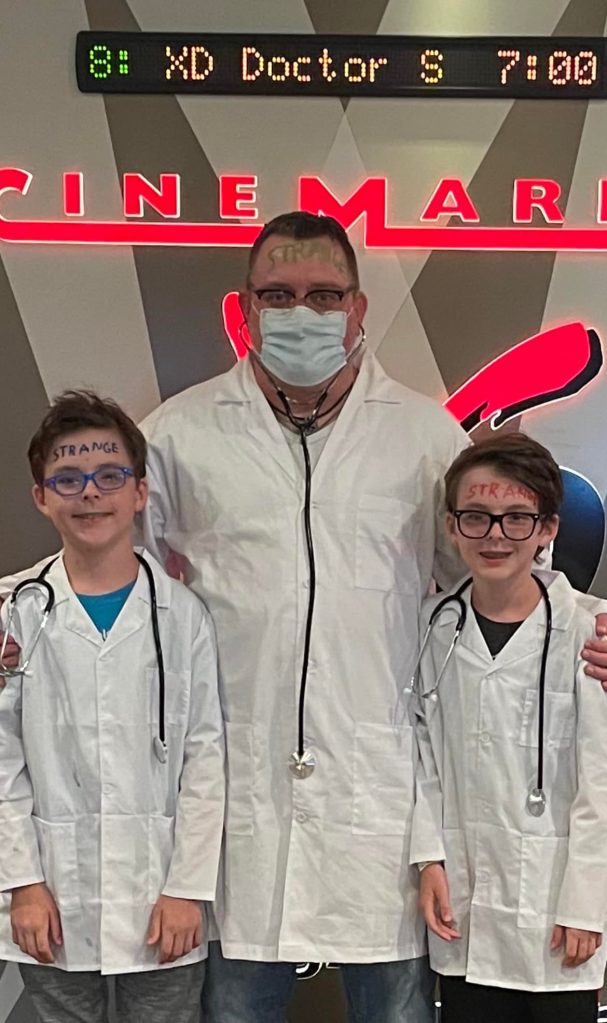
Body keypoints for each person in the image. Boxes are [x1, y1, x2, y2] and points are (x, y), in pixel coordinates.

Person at [138, 212, 607, 1022]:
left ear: (357, 308)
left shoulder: (423, 436)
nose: (302, 313)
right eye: (278, 295)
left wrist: (586, 631)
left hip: (386, 808)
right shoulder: (178, 435)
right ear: (245, 308)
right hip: (238, 806)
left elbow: (492, 585)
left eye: (324, 295)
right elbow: (115, 575)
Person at [0, 391, 224, 1023]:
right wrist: (22, 883)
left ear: (141, 492)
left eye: (109, 476)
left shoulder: (184, 617)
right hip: (51, 900)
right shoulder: (15, 612)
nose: (90, 494)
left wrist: (186, 889)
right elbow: (2, 760)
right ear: (41, 497)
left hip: (162, 901)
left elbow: (206, 759)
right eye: (67, 479)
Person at [411, 432, 607, 1023]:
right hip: (464, 908)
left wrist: (588, 902)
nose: (495, 535)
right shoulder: (429, 628)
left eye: (517, 518)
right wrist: (428, 860)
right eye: (475, 516)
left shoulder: (589, 631)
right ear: (451, 527)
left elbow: (601, 780)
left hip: (557, 913)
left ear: (548, 529)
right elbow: (420, 757)